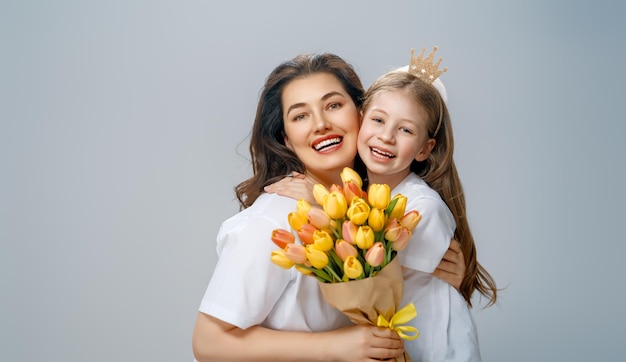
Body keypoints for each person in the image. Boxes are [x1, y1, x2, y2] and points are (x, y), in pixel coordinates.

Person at [192, 52, 466, 361]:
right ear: (286, 138)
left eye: (333, 105)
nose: (321, 124)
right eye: (300, 116)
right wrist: (336, 347)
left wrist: (438, 288)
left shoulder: (379, 213)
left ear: (361, 114)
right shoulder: (272, 221)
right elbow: (207, 342)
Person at [355, 47, 498, 360]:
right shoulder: (356, 194)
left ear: (424, 149)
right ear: (360, 120)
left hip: (432, 348)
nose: (386, 136)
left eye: (406, 129)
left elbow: (363, 277)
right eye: (378, 120)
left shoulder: (421, 207)